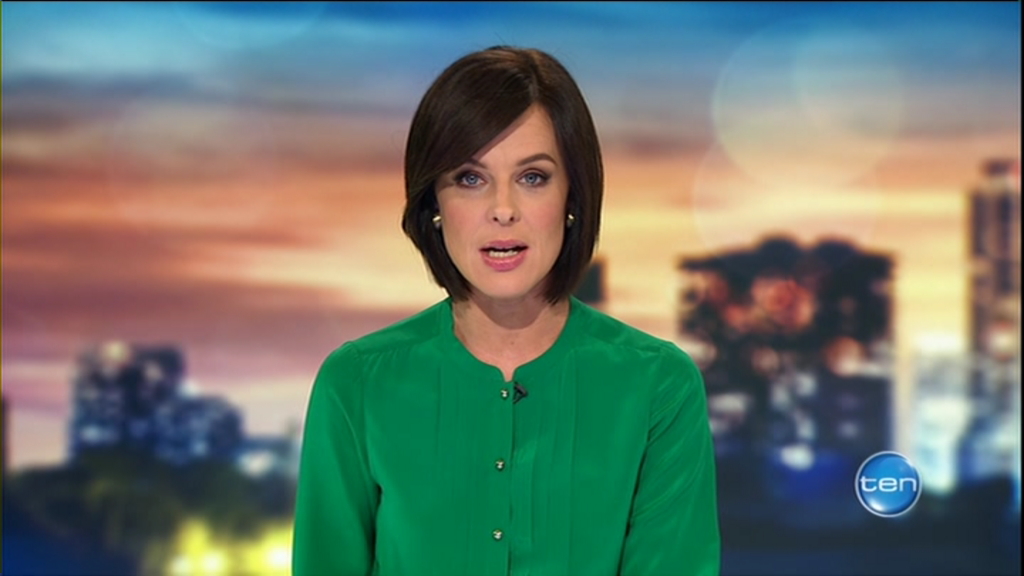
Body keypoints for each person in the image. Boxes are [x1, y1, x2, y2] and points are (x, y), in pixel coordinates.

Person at [292, 45, 720, 576]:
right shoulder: (357, 383)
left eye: (533, 177)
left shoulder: (659, 385)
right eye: (470, 179)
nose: (502, 210)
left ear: (573, 197)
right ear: (433, 204)